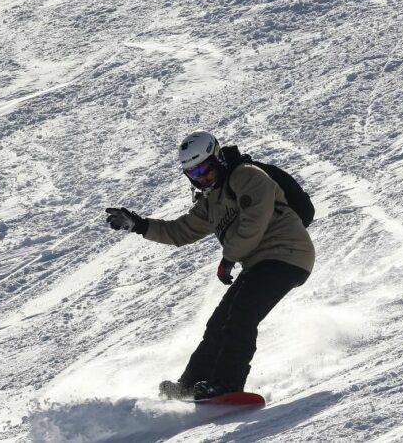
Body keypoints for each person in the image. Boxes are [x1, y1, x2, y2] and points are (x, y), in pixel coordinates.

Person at [105, 131, 315, 400]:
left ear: (217, 159)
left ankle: (227, 384)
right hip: (260, 262)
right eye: (193, 174)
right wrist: (139, 225)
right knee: (219, 323)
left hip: (288, 254)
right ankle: (190, 383)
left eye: (204, 168)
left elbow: (255, 222)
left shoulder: (248, 176)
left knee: (241, 316)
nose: (201, 177)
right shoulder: (211, 201)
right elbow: (181, 230)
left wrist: (229, 258)